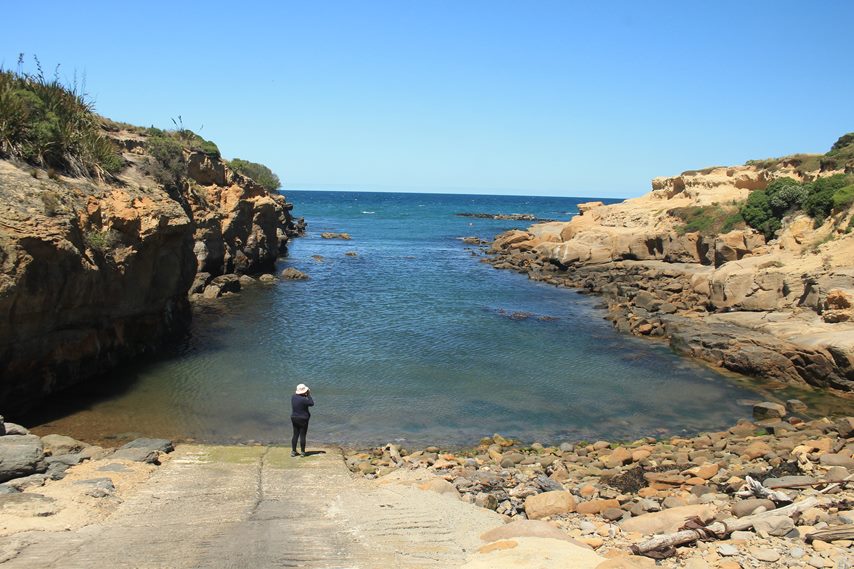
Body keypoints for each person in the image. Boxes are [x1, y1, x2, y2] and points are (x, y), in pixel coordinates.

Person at [290, 383, 314, 457]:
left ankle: (293, 451)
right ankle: (303, 452)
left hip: (294, 418)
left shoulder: (293, 397)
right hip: (303, 419)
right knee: (302, 435)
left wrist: (305, 394)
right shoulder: (304, 399)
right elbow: (311, 403)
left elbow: (300, 400)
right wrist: (309, 394)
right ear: (304, 391)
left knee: (295, 435)